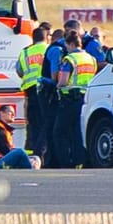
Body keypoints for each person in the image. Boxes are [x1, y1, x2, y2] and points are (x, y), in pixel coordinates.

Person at [53, 28, 98, 168]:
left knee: (59, 132)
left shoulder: (69, 60)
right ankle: (81, 160)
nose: (66, 48)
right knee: (79, 132)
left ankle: (65, 162)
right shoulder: (91, 59)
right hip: (86, 99)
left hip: (70, 100)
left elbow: (63, 81)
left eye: (67, 45)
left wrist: (57, 87)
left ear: (71, 44)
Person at [17, 25, 50, 155]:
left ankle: (31, 156)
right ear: (46, 37)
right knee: (45, 123)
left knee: (32, 124)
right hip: (44, 90)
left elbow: (19, 71)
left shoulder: (25, 52)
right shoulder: (48, 50)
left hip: (30, 92)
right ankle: (41, 154)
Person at [38, 26, 68, 165]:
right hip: (48, 92)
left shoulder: (57, 48)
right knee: (49, 126)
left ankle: (48, 158)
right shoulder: (57, 50)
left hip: (46, 91)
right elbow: (54, 75)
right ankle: (44, 158)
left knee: (48, 126)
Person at [0, 104, 37, 169]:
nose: (13, 115)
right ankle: (30, 174)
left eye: (14, 113)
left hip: (0, 161)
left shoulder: (4, 129)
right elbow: (5, 151)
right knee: (20, 152)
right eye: (10, 112)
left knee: (36, 158)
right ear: (2, 113)